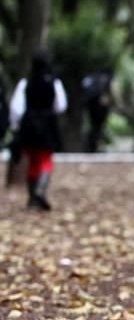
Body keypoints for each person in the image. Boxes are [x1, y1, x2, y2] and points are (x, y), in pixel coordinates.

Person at [8, 49, 68, 210]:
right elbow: (61, 106)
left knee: (33, 160)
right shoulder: (54, 83)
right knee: (45, 159)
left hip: (28, 125)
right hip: (47, 124)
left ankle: (33, 195)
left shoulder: (25, 83)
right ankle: (39, 191)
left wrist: (15, 126)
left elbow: (16, 108)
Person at [81, 70, 113, 152]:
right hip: (99, 108)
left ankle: (92, 146)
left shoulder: (92, 78)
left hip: (90, 106)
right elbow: (106, 97)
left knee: (93, 127)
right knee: (97, 128)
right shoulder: (105, 78)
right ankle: (94, 146)